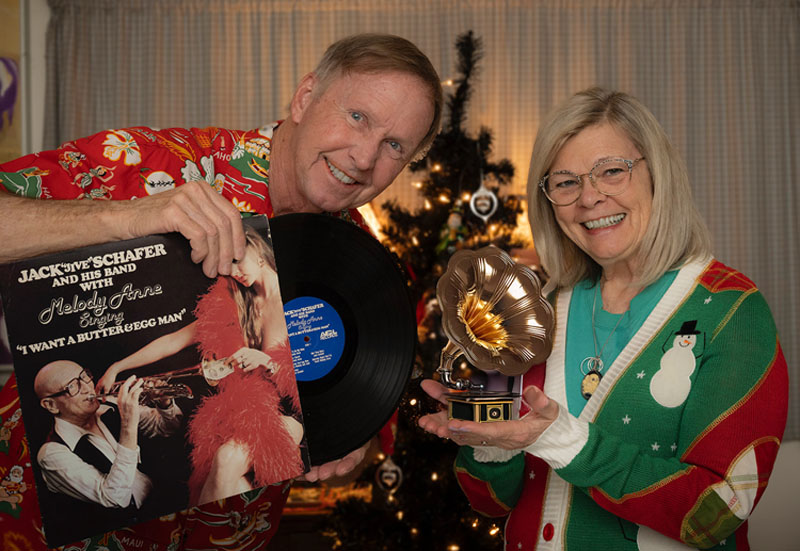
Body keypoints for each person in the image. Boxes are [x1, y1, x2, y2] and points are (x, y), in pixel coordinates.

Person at [0, 33, 442, 550]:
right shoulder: (158, 164)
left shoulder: (364, 261)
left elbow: (357, 422)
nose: (365, 158)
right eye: (358, 117)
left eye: (395, 146)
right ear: (305, 98)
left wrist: (348, 444)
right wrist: (127, 217)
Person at [419, 88, 788, 550]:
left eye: (612, 171)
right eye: (565, 182)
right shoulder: (538, 310)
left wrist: (563, 441)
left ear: (657, 175)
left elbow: (717, 512)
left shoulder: (732, 310)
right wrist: (488, 441)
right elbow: (492, 501)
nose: (589, 198)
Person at [96, 225, 304, 505]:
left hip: (288, 414)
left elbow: (315, 374)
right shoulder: (237, 301)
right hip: (243, 412)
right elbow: (173, 341)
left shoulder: (297, 299)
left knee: (226, 459)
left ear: (255, 249)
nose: (234, 272)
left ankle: (197, 530)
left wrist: (267, 362)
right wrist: (117, 367)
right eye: (227, 267)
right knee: (231, 483)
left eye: (236, 261)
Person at [33, 360, 182, 539]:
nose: (88, 388)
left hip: (161, 504)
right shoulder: (51, 454)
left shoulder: (109, 405)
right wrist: (128, 425)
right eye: (72, 386)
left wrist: (164, 403)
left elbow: (167, 428)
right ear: (51, 405)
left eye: (84, 376)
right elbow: (115, 498)